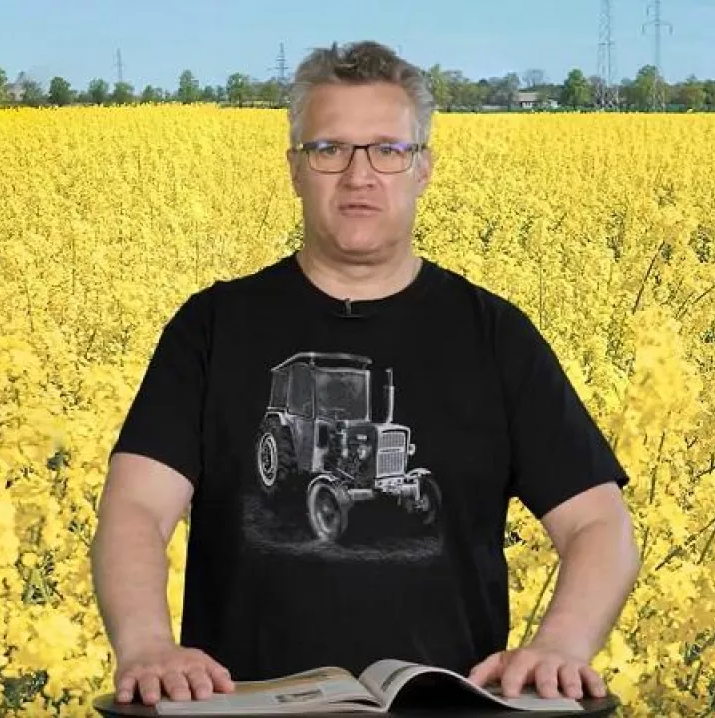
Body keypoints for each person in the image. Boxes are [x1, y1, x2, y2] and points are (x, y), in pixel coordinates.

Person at [90, 40, 641, 708]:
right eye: (330, 150)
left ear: (423, 168)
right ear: (296, 169)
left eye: (388, 149)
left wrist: (563, 644)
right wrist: (147, 644)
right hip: (245, 703)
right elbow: (137, 506)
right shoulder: (213, 327)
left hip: (444, 703)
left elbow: (597, 523)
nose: (359, 175)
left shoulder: (495, 335)